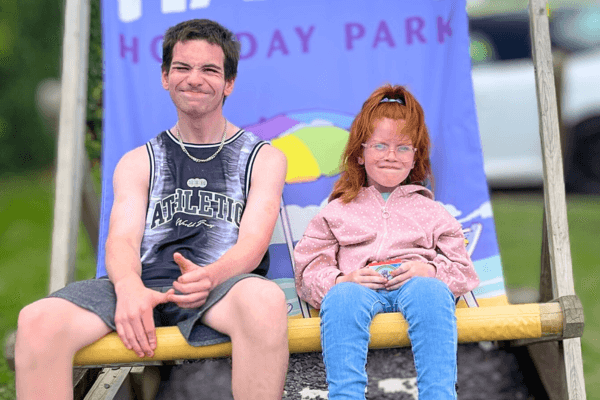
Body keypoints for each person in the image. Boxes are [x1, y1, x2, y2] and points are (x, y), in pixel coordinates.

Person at [16, 19, 289, 400]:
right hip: (139, 286)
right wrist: (128, 290)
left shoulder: (262, 158)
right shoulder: (138, 161)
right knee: (36, 321)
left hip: (221, 288)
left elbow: (253, 244)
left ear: (229, 83)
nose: (194, 78)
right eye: (182, 67)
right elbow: (122, 240)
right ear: (165, 76)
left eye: (209, 69)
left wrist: (210, 277)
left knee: (266, 301)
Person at [293, 84, 480, 399]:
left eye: (403, 147)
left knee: (432, 292)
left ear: (415, 157)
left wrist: (431, 271)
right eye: (380, 146)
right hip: (360, 287)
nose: (391, 156)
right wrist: (343, 278)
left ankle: (439, 394)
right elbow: (309, 268)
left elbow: (463, 271)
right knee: (341, 299)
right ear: (361, 153)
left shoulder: (432, 212)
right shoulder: (336, 211)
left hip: (414, 284)